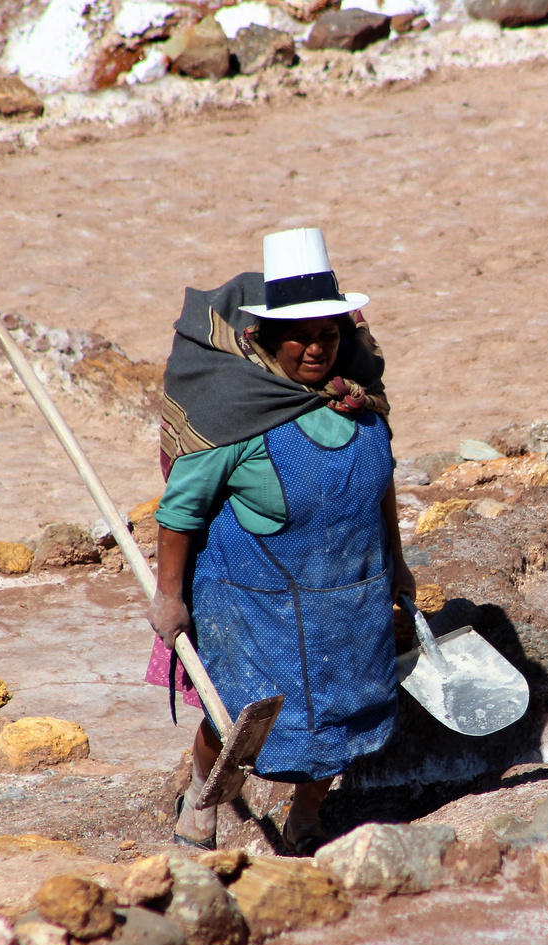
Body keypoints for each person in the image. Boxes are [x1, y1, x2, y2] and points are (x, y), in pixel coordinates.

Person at [145, 228, 415, 852]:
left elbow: (383, 491)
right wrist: (169, 596)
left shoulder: (358, 402)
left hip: (350, 590)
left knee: (345, 705)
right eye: (300, 337)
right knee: (236, 715)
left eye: (329, 334)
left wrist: (397, 565)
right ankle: (202, 799)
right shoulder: (233, 417)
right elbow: (180, 511)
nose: (317, 349)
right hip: (254, 598)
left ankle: (307, 815)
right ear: (266, 337)